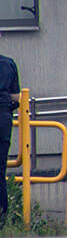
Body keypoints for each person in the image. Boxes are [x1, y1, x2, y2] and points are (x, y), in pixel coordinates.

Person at [0, 53, 17, 225]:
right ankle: (2, 218)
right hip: (3, 118)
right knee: (0, 170)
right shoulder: (8, 63)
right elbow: (16, 98)